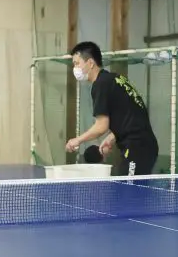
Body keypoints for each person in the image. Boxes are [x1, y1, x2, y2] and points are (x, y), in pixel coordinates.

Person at [66, 42, 159, 176]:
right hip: (143, 146)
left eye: (77, 63)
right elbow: (131, 115)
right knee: (129, 187)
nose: (75, 68)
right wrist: (112, 137)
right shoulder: (114, 79)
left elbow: (101, 126)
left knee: (129, 188)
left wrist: (77, 140)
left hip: (137, 148)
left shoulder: (101, 85)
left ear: (90, 63)